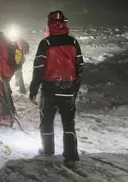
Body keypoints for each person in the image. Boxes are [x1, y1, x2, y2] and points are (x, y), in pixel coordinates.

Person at [29, 10, 84, 168]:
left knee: (46, 121)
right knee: (69, 123)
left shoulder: (45, 43)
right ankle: (71, 155)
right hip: (68, 89)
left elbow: (39, 67)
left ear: (49, 24)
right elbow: (80, 66)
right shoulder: (73, 42)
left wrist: (33, 89)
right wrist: (75, 86)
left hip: (49, 89)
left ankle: (48, 150)